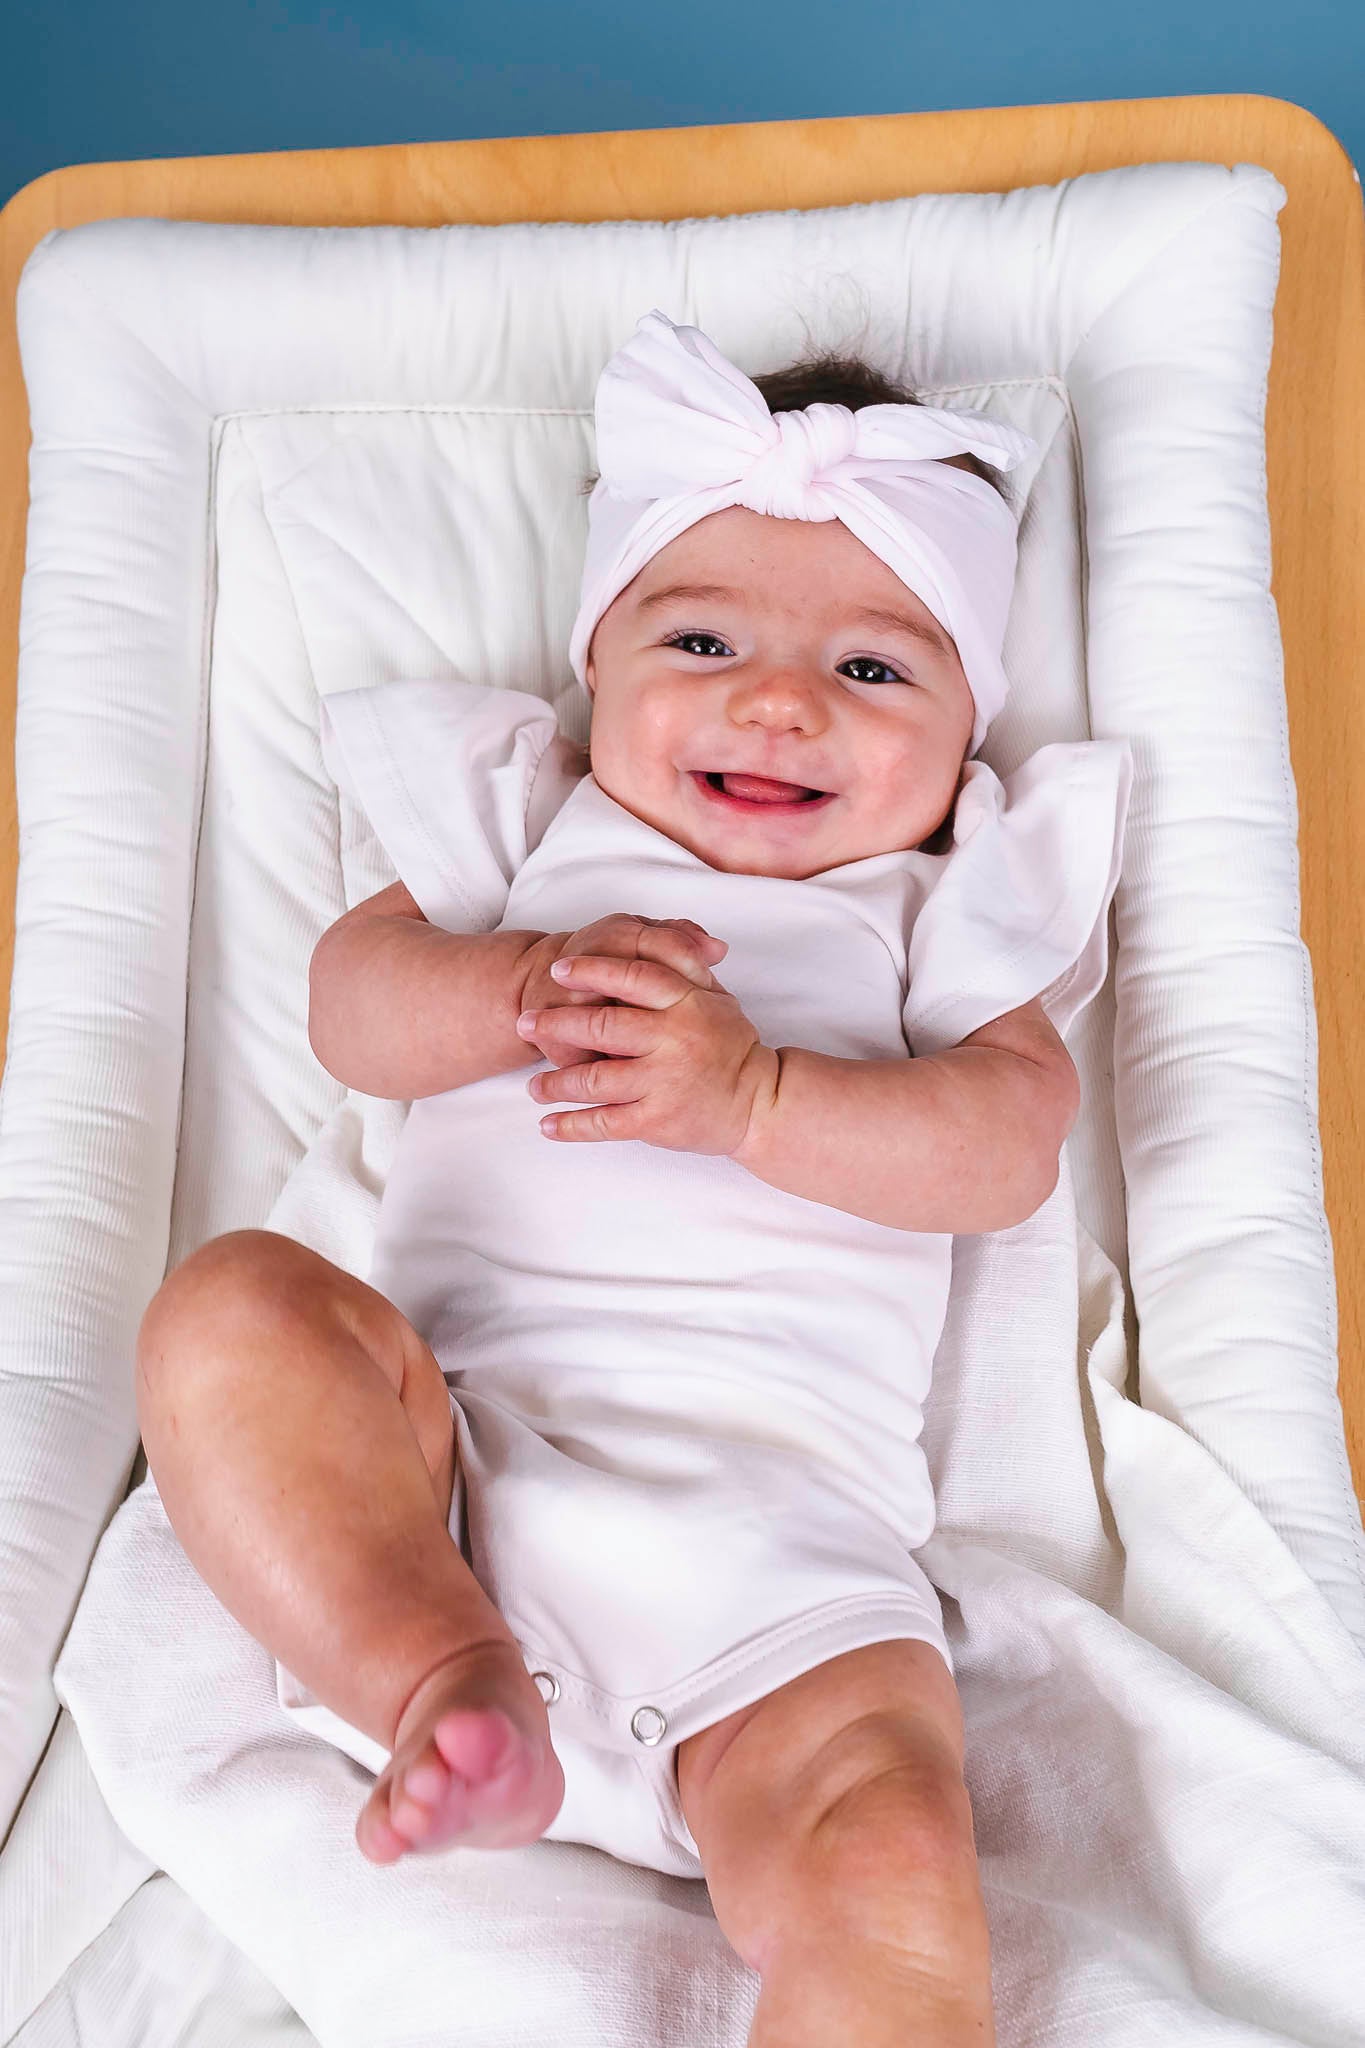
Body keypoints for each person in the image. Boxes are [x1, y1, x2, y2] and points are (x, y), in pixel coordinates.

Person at [135, 310, 1130, 2047]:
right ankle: (437, 1677)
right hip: (445, 1463)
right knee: (228, 1313)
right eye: (701, 638)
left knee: (890, 1853)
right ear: (595, 666)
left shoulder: (941, 903)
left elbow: (1003, 1146)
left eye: (873, 671)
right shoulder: (523, 828)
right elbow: (349, 1011)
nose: (777, 700)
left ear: (965, 734)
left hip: (782, 1563)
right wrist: (513, 986)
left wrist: (758, 1098)